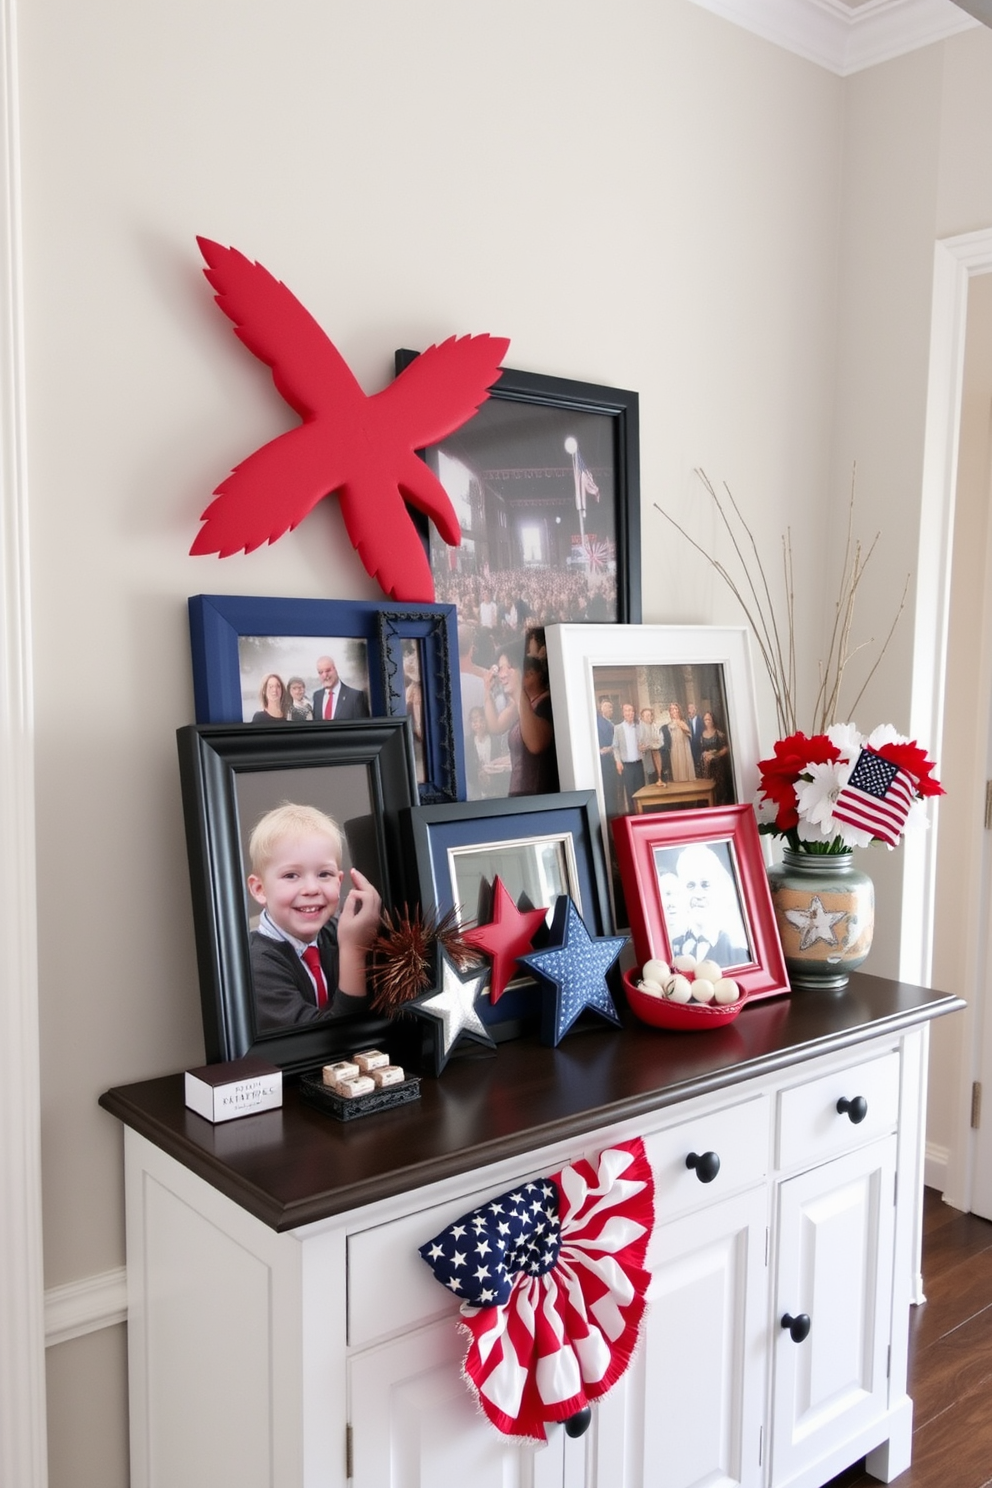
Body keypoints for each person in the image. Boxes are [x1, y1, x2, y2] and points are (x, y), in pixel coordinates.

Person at [246, 802, 381, 1031]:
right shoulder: (256, 966)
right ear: (260, 889)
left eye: (324, 874)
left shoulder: (340, 933)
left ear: (339, 882)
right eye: (291, 875)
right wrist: (354, 952)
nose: (311, 888)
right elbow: (328, 1041)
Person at [673, 843, 749, 967]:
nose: (698, 894)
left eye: (705, 885)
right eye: (690, 885)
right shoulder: (672, 947)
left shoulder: (738, 952)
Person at [311, 655, 369, 721]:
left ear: (336, 669)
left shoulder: (355, 696)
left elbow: (362, 728)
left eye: (328, 670)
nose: (325, 675)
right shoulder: (317, 696)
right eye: (320, 672)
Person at [613, 702, 645, 811]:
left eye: (631, 710)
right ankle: (633, 815)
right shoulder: (618, 728)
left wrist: (643, 747)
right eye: (627, 710)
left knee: (641, 791)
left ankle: (642, 815)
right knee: (630, 792)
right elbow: (615, 747)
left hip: (639, 763)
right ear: (623, 713)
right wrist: (618, 761)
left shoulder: (639, 727)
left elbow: (645, 742)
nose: (629, 713)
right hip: (626, 766)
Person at [699, 710, 734, 805]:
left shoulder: (719, 734)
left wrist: (714, 755)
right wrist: (705, 754)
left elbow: (726, 748)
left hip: (718, 766)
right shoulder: (702, 735)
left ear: (713, 720)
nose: (707, 721)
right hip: (707, 767)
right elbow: (702, 749)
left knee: (719, 789)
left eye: (709, 719)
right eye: (705, 719)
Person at [596, 696, 620, 816]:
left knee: (614, 790)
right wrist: (602, 749)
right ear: (602, 708)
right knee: (608, 791)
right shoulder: (598, 722)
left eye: (611, 707)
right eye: (608, 707)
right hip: (604, 762)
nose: (611, 709)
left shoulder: (611, 723)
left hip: (613, 761)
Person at [661, 702, 695, 781]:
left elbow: (689, 733)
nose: (674, 711)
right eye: (671, 709)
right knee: (676, 767)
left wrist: (679, 723)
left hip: (684, 746)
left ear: (679, 710)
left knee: (685, 766)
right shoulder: (668, 725)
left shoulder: (684, 721)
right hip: (674, 748)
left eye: (675, 709)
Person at [638, 706, 662, 785]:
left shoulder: (654, 726)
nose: (649, 717)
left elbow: (659, 740)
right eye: (647, 715)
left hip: (655, 755)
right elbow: (640, 743)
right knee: (647, 779)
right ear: (642, 717)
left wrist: (655, 742)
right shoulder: (639, 727)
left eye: (650, 715)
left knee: (656, 777)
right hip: (645, 756)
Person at [686, 701, 705, 770]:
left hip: (699, 742)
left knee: (699, 758)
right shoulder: (687, 721)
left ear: (695, 709)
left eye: (692, 708)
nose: (690, 710)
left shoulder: (700, 719)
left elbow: (703, 730)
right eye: (689, 708)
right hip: (690, 742)